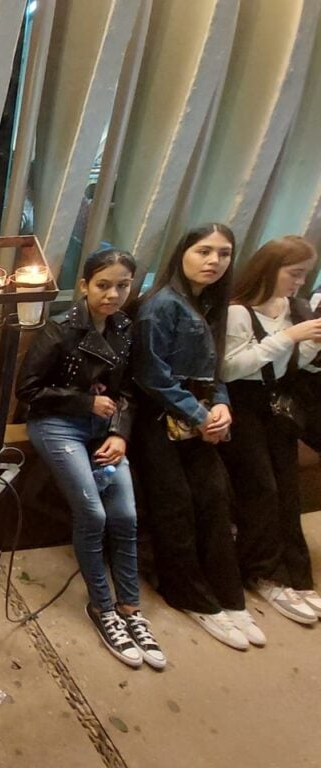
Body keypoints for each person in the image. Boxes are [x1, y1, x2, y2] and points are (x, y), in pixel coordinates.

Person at [17, 249, 165, 669]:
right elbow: (27, 392)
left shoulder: (124, 330)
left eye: (122, 286)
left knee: (126, 515)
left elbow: (128, 393)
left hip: (105, 431)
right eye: (103, 285)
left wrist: (120, 433)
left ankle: (131, 609)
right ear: (84, 286)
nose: (113, 294)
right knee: (93, 514)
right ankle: (102, 607)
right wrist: (84, 402)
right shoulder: (61, 329)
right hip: (57, 424)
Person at [130, 223, 265, 650]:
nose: (214, 261)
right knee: (176, 506)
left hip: (200, 414)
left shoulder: (210, 304)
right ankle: (189, 595)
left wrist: (221, 404)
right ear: (183, 253)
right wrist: (202, 413)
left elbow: (214, 368)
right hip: (159, 419)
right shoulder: (161, 306)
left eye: (223, 253)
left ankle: (228, 596)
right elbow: (150, 375)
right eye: (204, 251)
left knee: (214, 499)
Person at [219, 235, 321, 625]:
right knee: (261, 487)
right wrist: (288, 337)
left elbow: (288, 366)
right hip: (243, 406)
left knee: (287, 489)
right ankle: (263, 570)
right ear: (270, 269)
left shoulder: (293, 307)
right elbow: (230, 368)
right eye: (293, 274)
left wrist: (308, 344)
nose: (298, 283)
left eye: (303, 276)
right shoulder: (240, 312)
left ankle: (294, 572)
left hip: (276, 405)